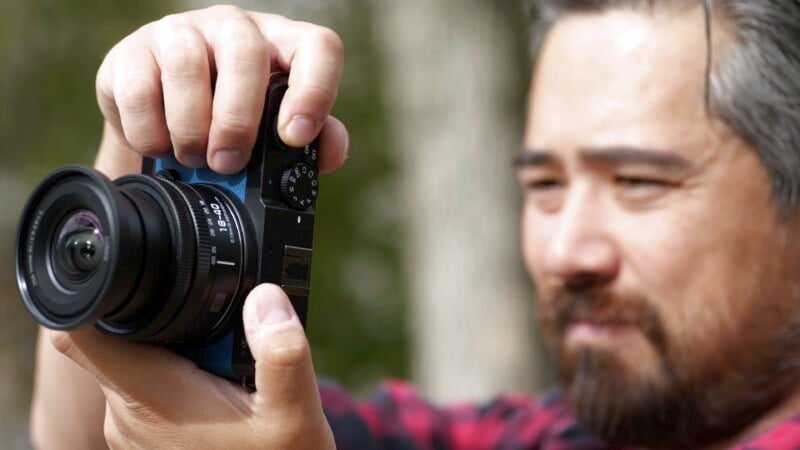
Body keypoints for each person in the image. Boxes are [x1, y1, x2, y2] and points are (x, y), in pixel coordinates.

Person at [29, 0, 800, 449]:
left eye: (638, 182)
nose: (566, 251)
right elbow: (84, 438)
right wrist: (140, 139)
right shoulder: (538, 434)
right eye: (545, 184)